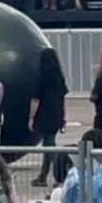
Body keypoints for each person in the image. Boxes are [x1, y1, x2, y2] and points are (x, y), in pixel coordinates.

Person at [30, 47, 69, 187]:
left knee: (49, 147)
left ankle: (61, 174)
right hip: (56, 114)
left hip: (44, 115)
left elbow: (36, 99)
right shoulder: (59, 77)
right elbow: (62, 97)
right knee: (49, 144)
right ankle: (43, 175)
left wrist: (31, 117)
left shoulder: (41, 76)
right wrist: (63, 116)